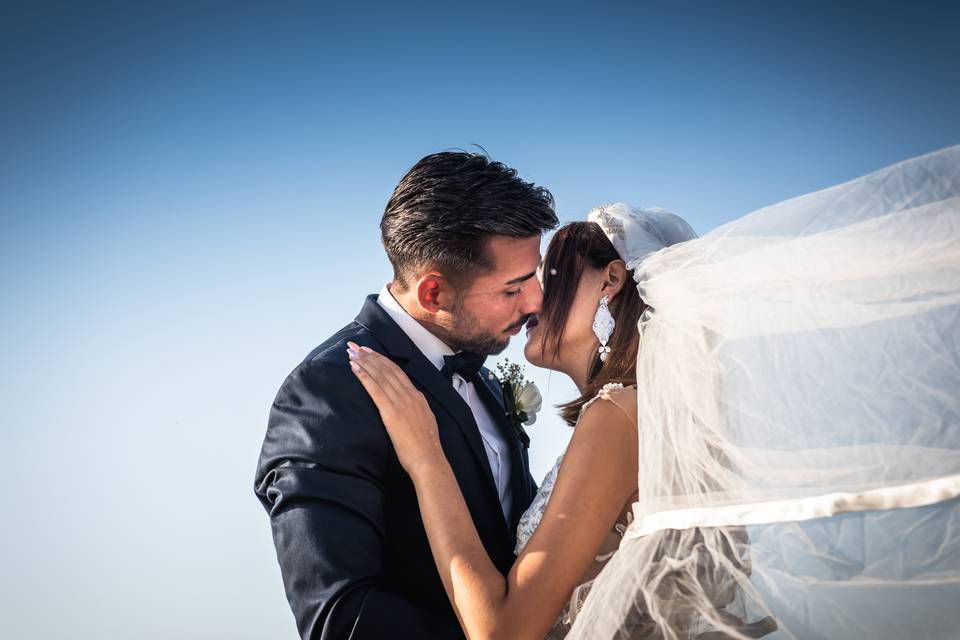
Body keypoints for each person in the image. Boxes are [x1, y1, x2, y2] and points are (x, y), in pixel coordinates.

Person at [349, 145, 960, 639]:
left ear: (612, 280)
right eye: (522, 284)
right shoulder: (650, 416)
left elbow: (504, 634)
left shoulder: (620, 415)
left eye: (551, 275)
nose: (533, 299)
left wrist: (426, 458)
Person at [254, 151, 558, 639]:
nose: (536, 303)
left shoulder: (482, 376)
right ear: (433, 293)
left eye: (534, 277)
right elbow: (340, 617)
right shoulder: (327, 391)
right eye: (511, 289)